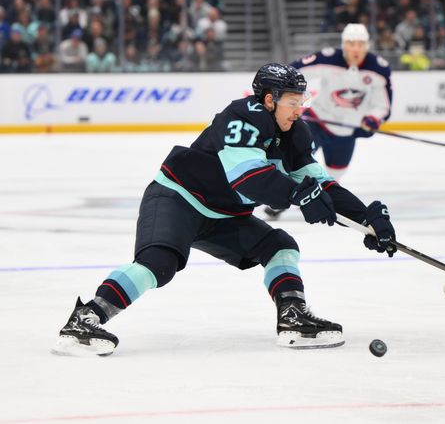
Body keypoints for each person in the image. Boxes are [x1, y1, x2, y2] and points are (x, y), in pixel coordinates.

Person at [53, 63, 397, 356]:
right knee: (159, 264)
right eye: (293, 101)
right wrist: (298, 195)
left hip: (224, 216)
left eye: (302, 101)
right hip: (178, 199)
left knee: (281, 247)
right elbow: (248, 179)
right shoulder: (241, 117)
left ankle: (292, 317)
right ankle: (85, 319)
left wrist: (367, 218)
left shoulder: (296, 133)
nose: (300, 109)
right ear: (269, 100)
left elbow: (322, 186)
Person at [263, 23, 392, 218]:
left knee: (336, 173)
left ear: (367, 45)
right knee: (296, 162)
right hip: (317, 123)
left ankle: (322, 201)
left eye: (360, 44)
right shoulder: (329, 57)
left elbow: (383, 104)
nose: (355, 49)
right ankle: (281, 201)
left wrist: (373, 118)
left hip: (346, 131)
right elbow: (294, 71)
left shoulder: (378, 69)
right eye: (351, 43)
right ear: (343, 44)